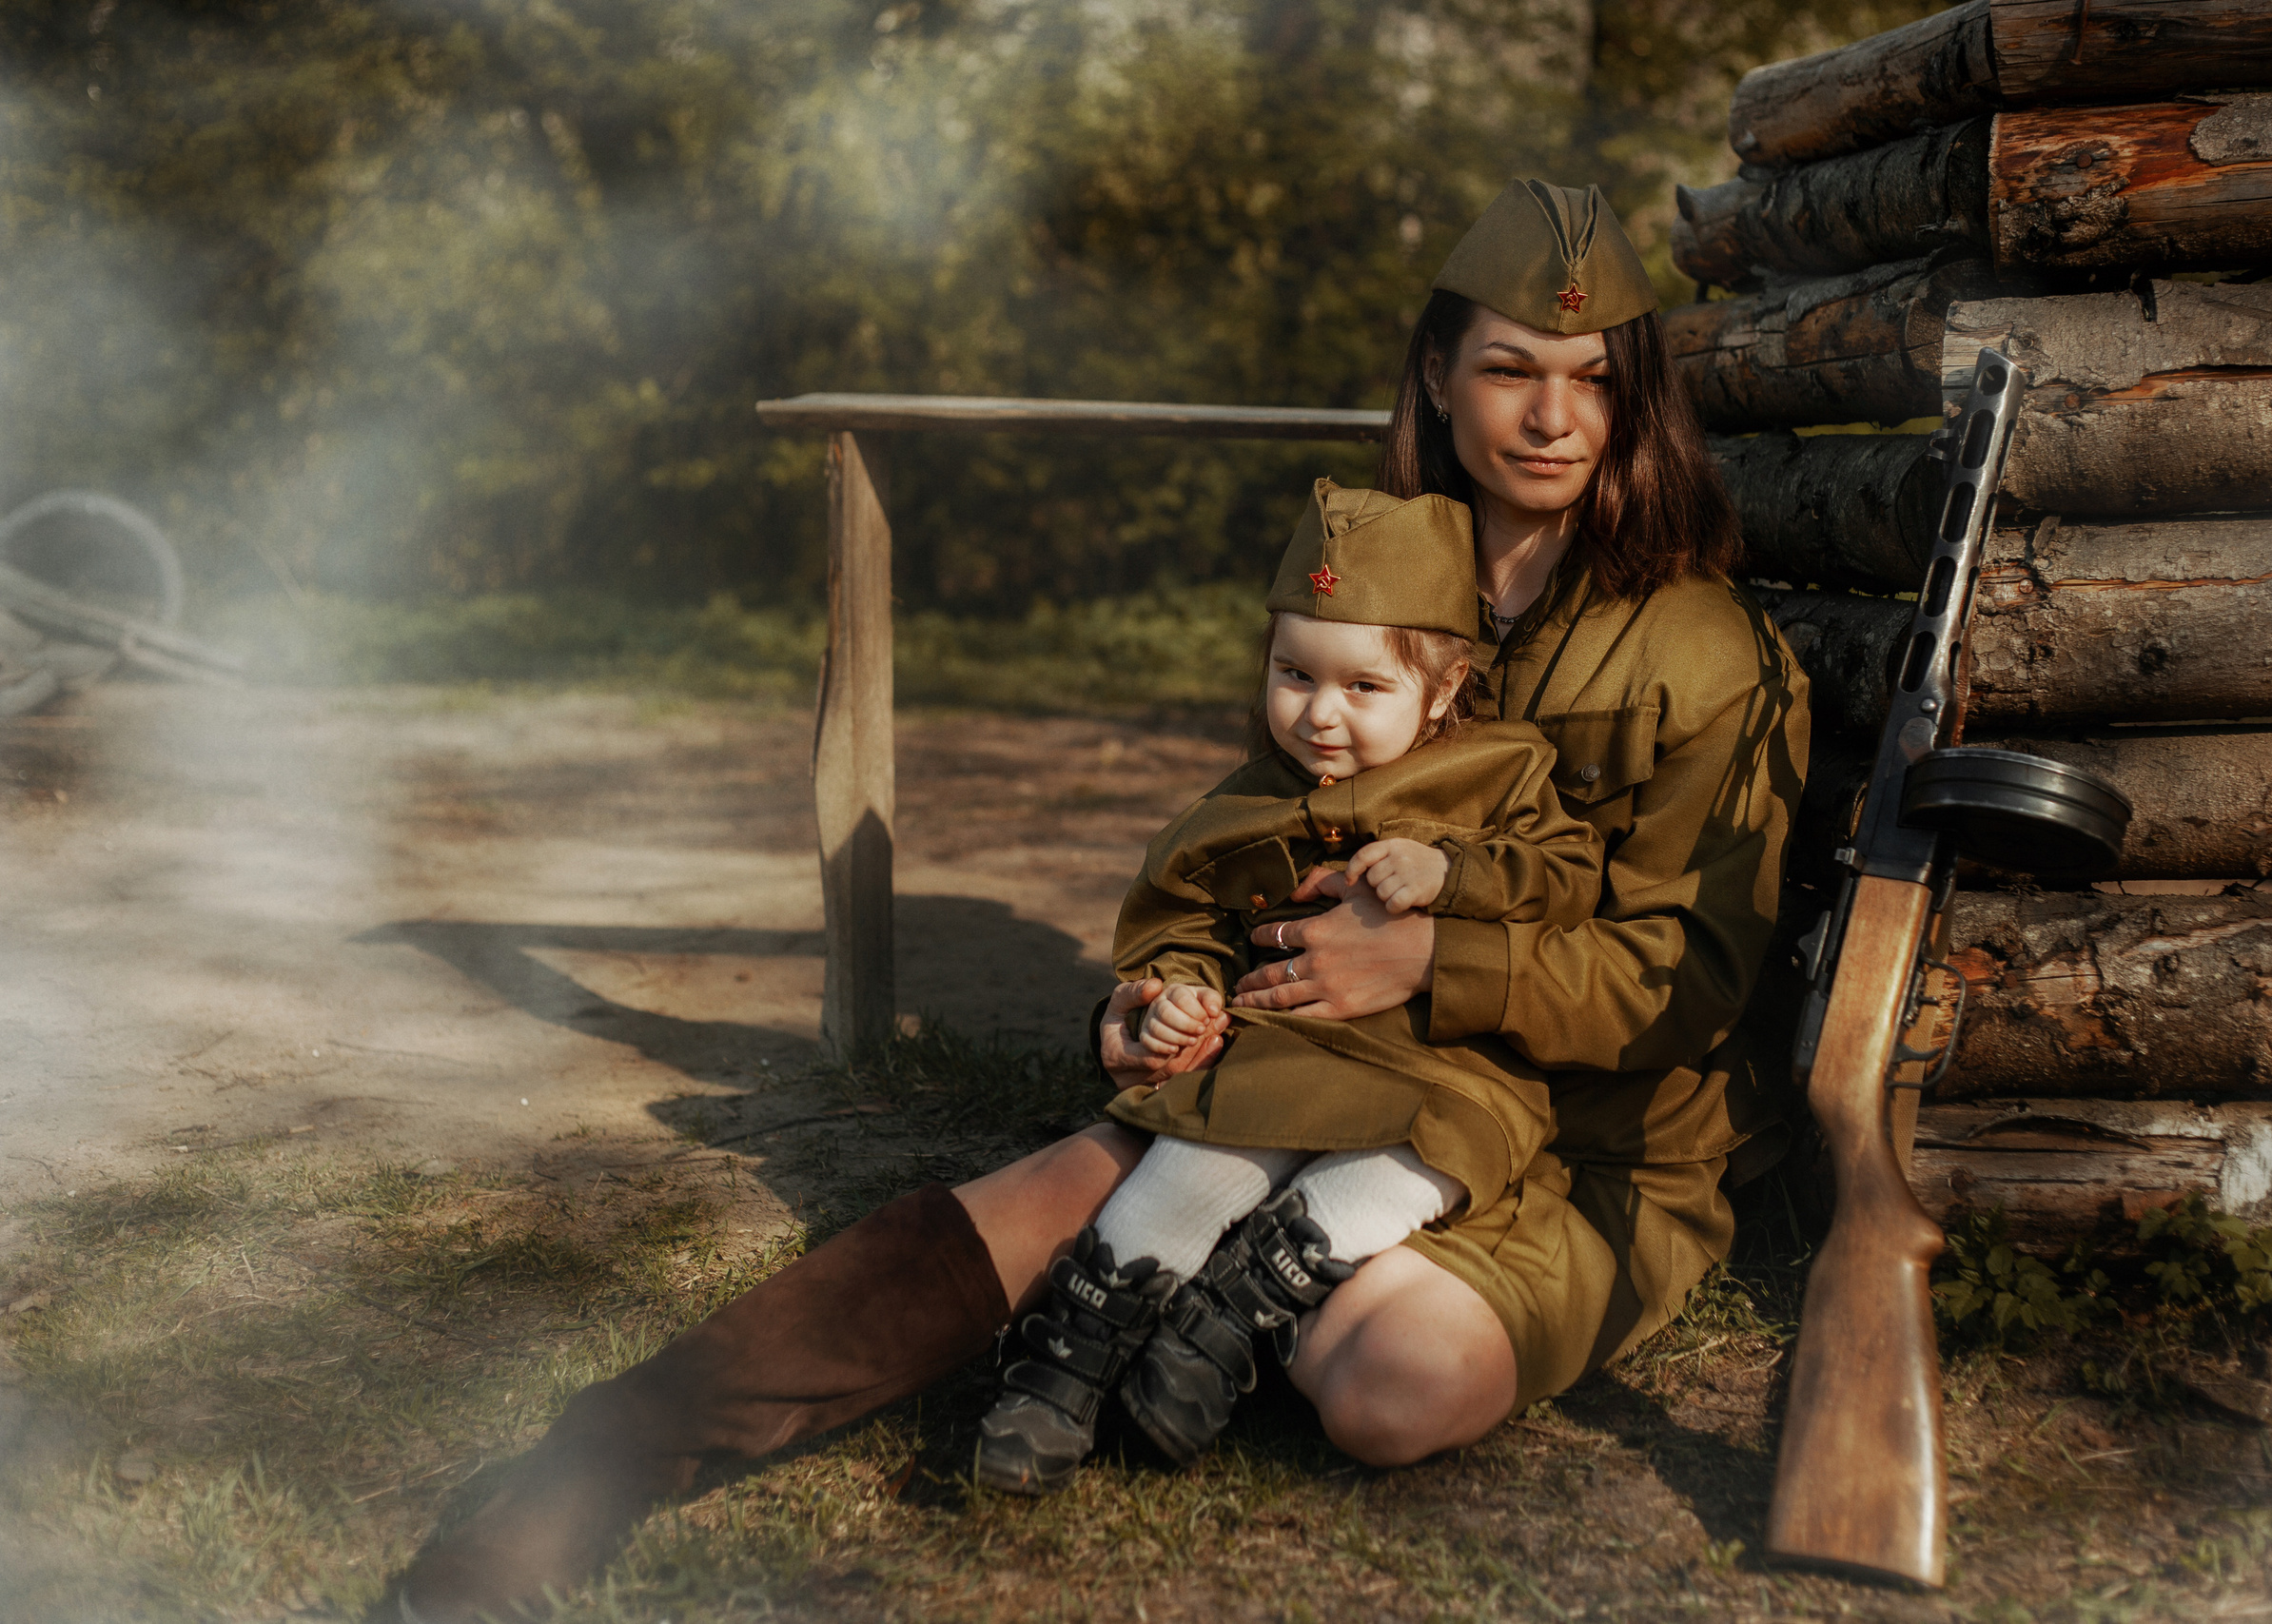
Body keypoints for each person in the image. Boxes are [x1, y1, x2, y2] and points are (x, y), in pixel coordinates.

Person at [388, 177, 1810, 1624]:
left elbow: (1691, 977)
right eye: (1511, 367)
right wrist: (1151, 1000)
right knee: (1050, 1195)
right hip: (1316, 1059)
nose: (1554, 417)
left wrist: (1435, 960)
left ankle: (1190, 1297)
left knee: (1387, 1383)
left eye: (1590, 380)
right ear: (1438, 374)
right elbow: (1244, 849)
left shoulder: (1705, 650)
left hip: (1576, 1127)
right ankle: (592, 1465)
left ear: (1637, 399)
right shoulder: (1370, 569)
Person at [974, 478, 1606, 1494]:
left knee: (1423, 1168)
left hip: (1445, 1068)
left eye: (1364, 688)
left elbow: (1571, 878)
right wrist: (1176, 987)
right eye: (1293, 675)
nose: (1319, 716)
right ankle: (1069, 1355)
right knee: (1194, 1160)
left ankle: (1239, 1301)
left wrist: (1458, 872)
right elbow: (1177, 913)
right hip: (1290, 1047)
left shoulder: (1500, 775)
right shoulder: (1239, 804)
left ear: (1442, 693)